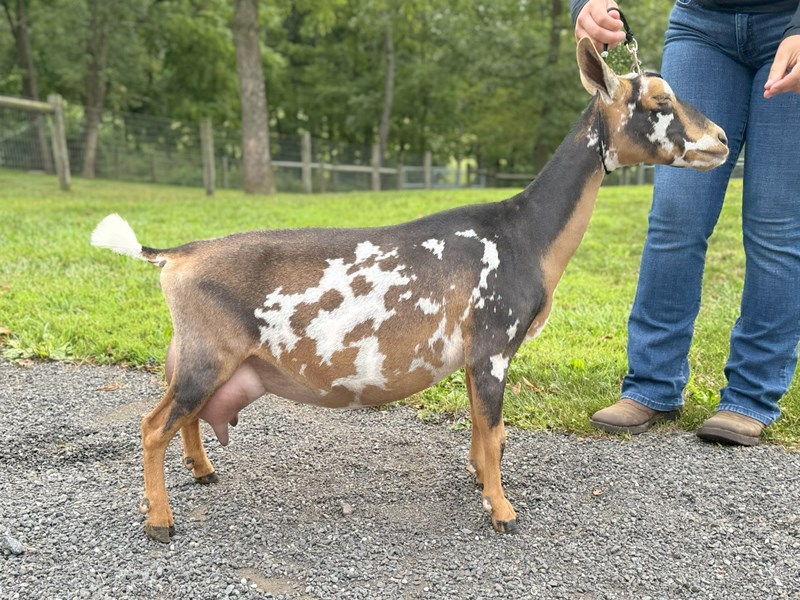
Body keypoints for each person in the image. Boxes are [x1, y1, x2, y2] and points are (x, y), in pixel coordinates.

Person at [570, 0, 800, 445]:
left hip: (790, 24)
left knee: (775, 221)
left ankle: (751, 396)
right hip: (702, 25)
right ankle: (652, 385)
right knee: (677, 216)